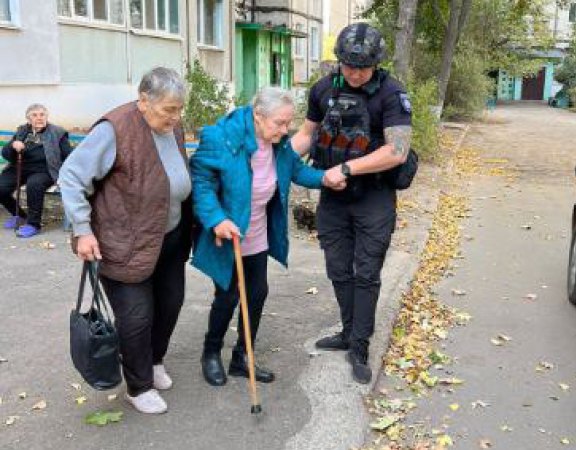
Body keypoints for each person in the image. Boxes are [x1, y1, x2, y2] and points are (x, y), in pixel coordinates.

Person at [58, 67, 192, 414]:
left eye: (180, 109)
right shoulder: (114, 129)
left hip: (169, 236)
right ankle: (139, 386)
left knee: (170, 303)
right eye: (169, 110)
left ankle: (153, 360)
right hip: (123, 240)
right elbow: (71, 176)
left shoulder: (170, 125)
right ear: (143, 101)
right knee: (136, 317)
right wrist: (82, 230)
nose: (176, 117)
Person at [191, 86, 345, 387]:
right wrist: (216, 219)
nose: (286, 130)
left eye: (289, 123)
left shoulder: (278, 144)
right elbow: (201, 182)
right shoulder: (220, 137)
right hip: (228, 234)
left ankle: (242, 357)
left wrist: (325, 178)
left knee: (257, 294)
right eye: (280, 123)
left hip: (258, 233)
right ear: (258, 116)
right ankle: (210, 353)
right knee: (228, 294)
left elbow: (296, 171)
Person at [291, 23, 413, 384]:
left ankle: (360, 344)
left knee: (367, 272)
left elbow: (398, 150)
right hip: (334, 196)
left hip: (373, 196)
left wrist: (346, 167)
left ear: (376, 63)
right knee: (338, 268)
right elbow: (305, 134)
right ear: (339, 61)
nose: (354, 73)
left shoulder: (392, 94)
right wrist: (271, 158)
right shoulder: (324, 88)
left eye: (361, 67)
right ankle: (348, 332)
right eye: (347, 66)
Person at [0, 104, 72, 238]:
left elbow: (69, 155)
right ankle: (20, 216)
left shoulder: (57, 132)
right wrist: (12, 146)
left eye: (42, 114)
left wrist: (67, 173)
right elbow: (6, 154)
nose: (39, 118)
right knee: (1, 187)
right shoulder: (22, 131)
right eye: (34, 115)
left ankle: (34, 224)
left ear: (46, 116)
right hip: (20, 167)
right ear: (28, 119)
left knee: (34, 184)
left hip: (45, 169)